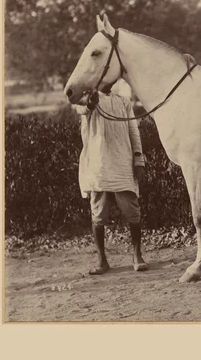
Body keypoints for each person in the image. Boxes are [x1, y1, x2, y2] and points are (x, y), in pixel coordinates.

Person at [74, 81, 148, 275]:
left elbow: (133, 130)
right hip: (98, 164)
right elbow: (81, 109)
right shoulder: (87, 100)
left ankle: (137, 255)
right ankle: (102, 260)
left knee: (132, 211)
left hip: (122, 162)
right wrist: (91, 102)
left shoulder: (123, 102)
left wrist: (138, 159)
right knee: (98, 214)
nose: (108, 82)